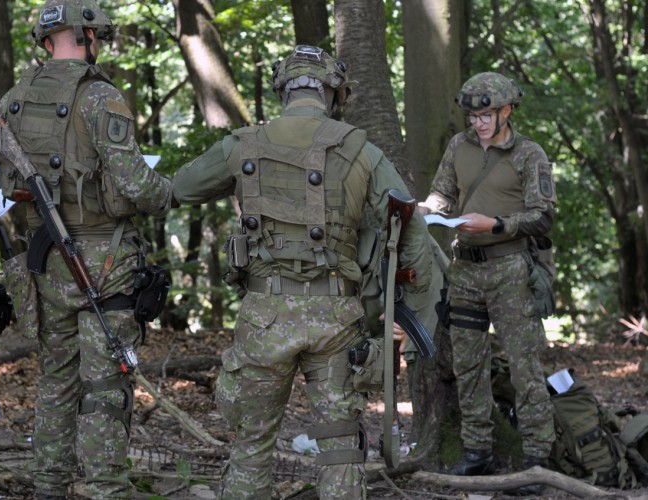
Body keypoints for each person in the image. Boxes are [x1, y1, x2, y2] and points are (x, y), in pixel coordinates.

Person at [173, 45, 433, 499]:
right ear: (332, 92)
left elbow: (182, 187)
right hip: (336, 316)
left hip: (264, 317)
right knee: (339, 446)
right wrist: (414, 319)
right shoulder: (362, 151)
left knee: (251, 445)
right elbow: (409, 226)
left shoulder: (243, 145)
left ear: (282, 91)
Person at [0, 1, 172, 498]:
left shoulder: (12, 101)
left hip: (48, 263)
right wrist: (170, 192)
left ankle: (49, 484)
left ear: (47, 41)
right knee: (104, 387)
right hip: (105, 262)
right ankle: (104, 488)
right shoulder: (100, 98)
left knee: (56, 379)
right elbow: (136, 184)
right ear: (87, 37)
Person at [419, 72, 557, 492]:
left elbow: (543, 216)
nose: (478, 123)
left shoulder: (529, 154)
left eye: (486, 115)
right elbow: (442, 193)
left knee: (524, 364)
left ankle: (536, 459)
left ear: (507, 111)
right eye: (473, 115)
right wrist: (428, 208)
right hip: (465, 270)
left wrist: (496, 224)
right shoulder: (458, 146)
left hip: (511, 270)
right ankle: (476, 452)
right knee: (467, 363)